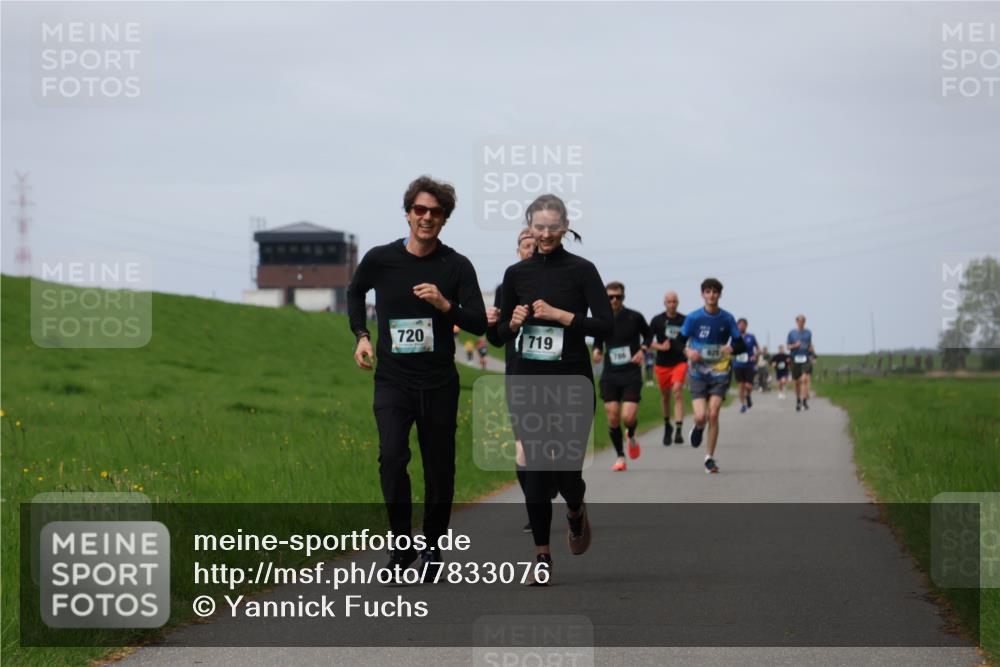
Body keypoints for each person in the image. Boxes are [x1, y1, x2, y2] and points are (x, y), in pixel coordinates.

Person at [347, 175, 487, 580]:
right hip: (393, 381)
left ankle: (432, 546)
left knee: (439, 469)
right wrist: (361, 336)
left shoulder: (456, 266)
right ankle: (400, 545)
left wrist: (445, 304)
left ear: (444, 219)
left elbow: (478, 322)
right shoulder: (381, 259)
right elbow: (355, 292)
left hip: (438, 383)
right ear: (408, 214)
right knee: (391, 458)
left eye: (435, 212)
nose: (427, 217)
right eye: (420, 210)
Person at [496, 193, 613, 585]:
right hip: (527, 383)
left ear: (565, 227)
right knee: (534, 467)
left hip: (572, 383)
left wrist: (562, 315)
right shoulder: (515, 275)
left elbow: (607, 325)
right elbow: (497, 335)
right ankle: (542, 555)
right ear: (530, 227)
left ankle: (575, 508)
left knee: (566, 472)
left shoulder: (582, 270)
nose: (545, 234)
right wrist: (512, 324)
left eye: (552, 227)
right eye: (538, 227)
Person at [485, 228, 542, 534]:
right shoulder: (505, 287)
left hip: (553, 376)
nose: (530, 249)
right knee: (523, 449)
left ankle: (561, 489)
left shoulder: (555, 284)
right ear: (518, 250)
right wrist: (499, 323)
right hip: (519, 374)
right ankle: (535, 509)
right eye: (525, 245)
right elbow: (496, 336)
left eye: (535, 245)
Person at [680, 277, 746, 474]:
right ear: (702, 294)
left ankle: (709, 457)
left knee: (714, 413)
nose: (711, 295)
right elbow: (678, 342)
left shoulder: (727, 318)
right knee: (701, 416)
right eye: (708, 292)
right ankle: (699, 427)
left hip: (720, 371)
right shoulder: (693, 318)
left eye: (715, 292)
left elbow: (740, 344)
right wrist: (688, 351)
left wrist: (731, 348)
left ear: (720, 295)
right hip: (697, 372)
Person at [591, 281, 652, 471]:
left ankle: (631, 434)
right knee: (612, 416)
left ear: (623, 297)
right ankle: (620, 456)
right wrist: (596, 351)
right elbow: (598, 341)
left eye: (618, 297)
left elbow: (649, 335)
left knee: (628, 416)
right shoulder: (602, 319)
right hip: (610, 374)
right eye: (610, 297)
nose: (615, 300)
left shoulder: (635, 317)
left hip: (631, 373)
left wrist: (642, 350)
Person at [649, 291, 687, 445]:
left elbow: (692, 337)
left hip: (680, 362)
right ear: (664, 303)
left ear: (678, 303)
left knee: (677, 391)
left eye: (674, 301)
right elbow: (647, 340)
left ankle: (678, 430)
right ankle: (667, 425)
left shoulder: (684, 320)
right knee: (665, 396)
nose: (672, 304)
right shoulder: (657, 320)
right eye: (669, 302)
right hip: (662, 364)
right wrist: (660, 346)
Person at [732, 318, 760, 414]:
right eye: (740, 325)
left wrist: (755, 356)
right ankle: (743, 405)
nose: (741, 326)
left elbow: (758, 349)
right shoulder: (734, 337)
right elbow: (730, 349)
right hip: (738, 364)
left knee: (748, 386)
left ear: (746, 326)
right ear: (737, 326)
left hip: (749, 364)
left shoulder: (751, 337)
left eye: (743, 325)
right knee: (741, 386)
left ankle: (748, 396)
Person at [787, 314, 815, 411]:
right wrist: (795, 345)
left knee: (804, 379)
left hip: (805, 358)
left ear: (804, 322)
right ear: (796, 322)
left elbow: (810, 345)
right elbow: (788, 347)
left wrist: (811, 350)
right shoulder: (792, 333)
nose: (801, 323)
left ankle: (804, 400)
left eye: (803, 321)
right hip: (795, 359)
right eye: (799, 321)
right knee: (796, 382)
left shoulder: (808, 333)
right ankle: (798, 400)